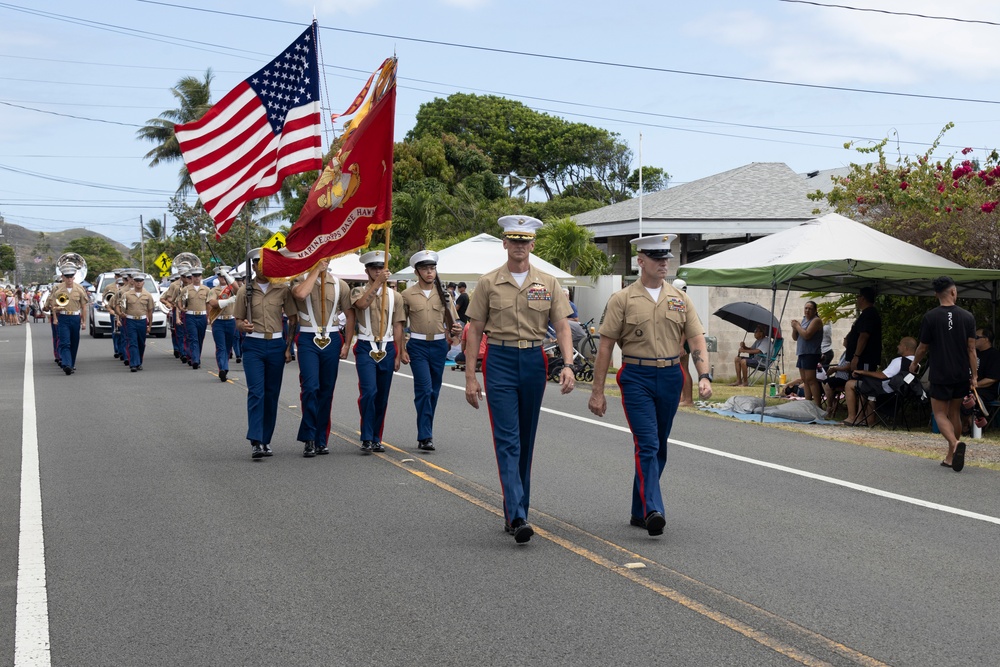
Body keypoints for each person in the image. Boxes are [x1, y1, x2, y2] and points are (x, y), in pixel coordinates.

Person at [589, 234, 713, 536]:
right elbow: (605, 347)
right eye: (657, 259)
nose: (663, 264)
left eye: (666, 258)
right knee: (647, 443)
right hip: (636, 377)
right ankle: (654, 509)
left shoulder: (679, 298)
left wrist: (704, 375)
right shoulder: (622, 299)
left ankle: (637, 508)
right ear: (640, 261)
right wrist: (597, 392)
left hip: (671, 376)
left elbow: (696, 339)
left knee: (659, 448)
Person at [464, 215, 576, 544]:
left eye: (524, 241)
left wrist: (568, 364)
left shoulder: (548, 282)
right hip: (498, 359)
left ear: (532, 245)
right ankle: (517, 514)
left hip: (533, 360)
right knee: (507, 439)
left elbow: (564, 325)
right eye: (513, 241)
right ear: (504, 243)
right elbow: (474, 332)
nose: (519, 247)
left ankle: (517, 509)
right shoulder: (487, 282)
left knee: (525, 441)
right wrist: (471, 376)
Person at [234, 248, 298, 460]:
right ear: (252, 267)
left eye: (263, 264)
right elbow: (237, 321)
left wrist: (288, 347)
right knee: (256, 392)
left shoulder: (282, 289)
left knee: (271, 395)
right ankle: (255, 441)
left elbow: (292, 318)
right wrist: (243, 326)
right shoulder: (245, 291)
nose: (259, 268)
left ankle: (265, 440)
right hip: (253, 346)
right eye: (256, 264)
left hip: (276, 346)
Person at [909, 276, 976, 471]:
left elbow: (922, 347)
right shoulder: (967, 317)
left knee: (939, 412)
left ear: (936, 294)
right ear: (954, 292)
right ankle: (950, 456)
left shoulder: (931, 317)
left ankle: (955, 445)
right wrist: (975, 376)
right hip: (961, 373)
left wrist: (914, 364)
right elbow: (972, 349)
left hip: (940, 372)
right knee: (954, 412)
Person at [291, 259, 354, 457]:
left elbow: (350, 315)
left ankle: (320, 439)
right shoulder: (298, 280)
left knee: (326, 391)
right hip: (308, 337)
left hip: (332, 337)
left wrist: (347, 344)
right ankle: (308, 437)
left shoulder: (339, 284)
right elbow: (301, 294)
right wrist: (315, 271)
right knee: (310, 387)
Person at [400, 250, 463, 452]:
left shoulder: (444, 295)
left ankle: (426, 431)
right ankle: (425, 435)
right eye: (425, 269)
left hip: (438, 347)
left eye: (432, 268)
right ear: (417, 271)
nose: (430, 272)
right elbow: (400, 325)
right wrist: (401, 349)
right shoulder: (407, 295)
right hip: (417, 346)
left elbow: (453, 321)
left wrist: (456, 331)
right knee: (424, 390)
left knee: (434, 392)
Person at [351, 250, 406, 454]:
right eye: (374, 268)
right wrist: (376, 284)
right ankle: (366, 436)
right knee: (369, 392)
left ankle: (376, 437)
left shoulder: (395, 296)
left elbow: (398, 326)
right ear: (367, 271)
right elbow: (362, 304)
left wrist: (399, 353)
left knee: (382, 396)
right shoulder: (357, 291)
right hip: (367, 346)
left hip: (388, 346)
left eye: (381, 268)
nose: (378, 271)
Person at [843, 336, 916, 425]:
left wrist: (862, 372)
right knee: (866, 386)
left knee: (849, 384)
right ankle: (860, 418)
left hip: (887, 391)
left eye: (900, 344)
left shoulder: (899, 361)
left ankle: (851, 417)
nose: (898, 346)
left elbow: (883, 376)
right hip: (902, 392)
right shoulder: (916, 363)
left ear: (905, 348)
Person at [49, 264, 89, 375]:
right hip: (63, 317)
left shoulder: (80, 289)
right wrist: (56, 316)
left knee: (74, 342)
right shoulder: (58, 290)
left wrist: (84, 321)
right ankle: (66, 364)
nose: (69, 279)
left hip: (75, 317)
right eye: (67, 277)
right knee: (65, 342)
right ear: (63, 277)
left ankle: (71, 363)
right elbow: (53, 306)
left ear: (74, 277)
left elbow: (84, 306)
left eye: (71, 277)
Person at [207, 269, 239, 382]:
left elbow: (239, 290)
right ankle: (223, 369)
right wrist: (228, 300)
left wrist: (228, 276)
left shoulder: (232, 289)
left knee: (228, 347)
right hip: (218, 321)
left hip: (230, 321)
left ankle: (224, 366)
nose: (222, 278)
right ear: (217, 277)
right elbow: (213, 303)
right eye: (220, 276)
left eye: (224, 276)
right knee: (221, 347)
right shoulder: (214, 290)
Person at [791, 300, 824, 407]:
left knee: (811, 380)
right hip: (802, 353)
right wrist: (794, 328)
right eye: (806, 308)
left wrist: (797, 326)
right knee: (805, 380)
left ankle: (818, 406)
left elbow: (807, 335)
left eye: (810, 308)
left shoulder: (816, 321)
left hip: (811, 353)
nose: (807, 310)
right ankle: (807, 403)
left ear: (815, 310)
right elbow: (795, 337)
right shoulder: (804, 320)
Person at [120, 272, 154, 372]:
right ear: (133, 282)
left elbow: (150, 311)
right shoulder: (126, 295)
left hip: (142, 321)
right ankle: (133, 364)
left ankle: (139, 362)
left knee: (141, 343)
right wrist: (121, 315)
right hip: (130, 321)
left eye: (140, 281)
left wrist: (150, 325)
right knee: (132, 342)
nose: (138, 283)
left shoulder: (148, 295)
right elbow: (122, 309)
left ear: (143, 282)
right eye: (137, 281)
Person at [847, 286, 882, 373]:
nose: (857, 300)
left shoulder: (869, 314)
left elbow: (864, 336)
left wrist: (856, 356)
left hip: (865, 359)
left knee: (862, 382)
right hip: (861, 359)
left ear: (862, 298)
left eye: (857, 297)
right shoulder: (865, 314)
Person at [182, 267, 210, 370]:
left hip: (202, 316)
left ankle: (197, 356)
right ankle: (195, 360)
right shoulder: (186, 289)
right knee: (193, 338)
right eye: (194, 276)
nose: (197, 278)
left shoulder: (206, 289)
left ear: (201, 277)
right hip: (190, 316)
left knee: (200, 338)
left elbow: (208, 304)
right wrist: (182, 308)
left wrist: (209, 316)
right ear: (192, 277)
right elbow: (179, 301)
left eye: (198, 276)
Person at [822, 339, 852, 419]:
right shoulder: (846, 352)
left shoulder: (851, 352)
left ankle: (829, 407)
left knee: (828, 385)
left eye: (846, 339)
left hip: (845, 378)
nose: (844, 340)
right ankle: (834, 401)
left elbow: (849, 367)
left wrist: (835, 369)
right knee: (824, 382)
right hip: (838, 375)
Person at [160, 273, 184, 360]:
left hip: (186, 310)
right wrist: (169, 303)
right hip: (176, 309)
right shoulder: (174, 286)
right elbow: (165, 298)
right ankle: (178, 349)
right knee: (176, 331)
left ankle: (184, 350)